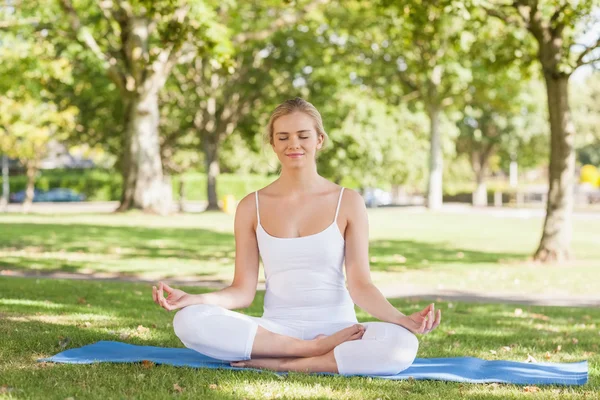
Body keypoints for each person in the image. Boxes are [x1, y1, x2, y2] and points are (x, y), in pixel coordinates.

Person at [152, 98, 441, 375]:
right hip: (275, 331)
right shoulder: (250, 206)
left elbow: (361, 285)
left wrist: (401, 320)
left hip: (339, 331)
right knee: (189, 320)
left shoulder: (348, 202)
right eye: (283, 137)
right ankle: (309, 350)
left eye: (303, 135)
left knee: (402, 345)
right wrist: (195, 299)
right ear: (273, 144)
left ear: (319, 140)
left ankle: (285, 364)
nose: (294, 144)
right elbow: (242, 291)